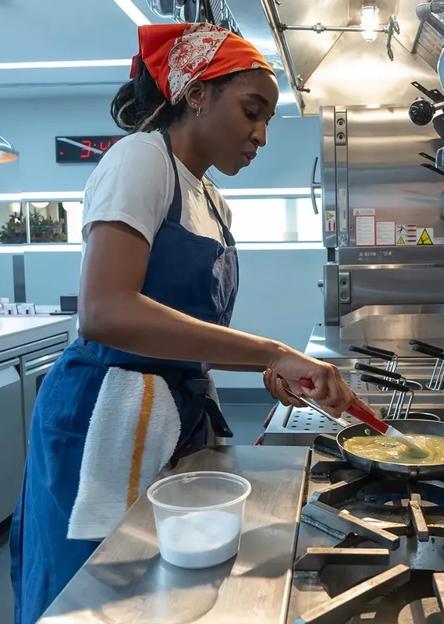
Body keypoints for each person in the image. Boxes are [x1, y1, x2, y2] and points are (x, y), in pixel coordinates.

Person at [10, 23, 356, 623]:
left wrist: (264, 366)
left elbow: (182, 323)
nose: (262, 135)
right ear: (197, 94)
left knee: (159, 586)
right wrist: (270, 350)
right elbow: (105, 311)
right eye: (253, 111)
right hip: (102, 414)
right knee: (93, 590)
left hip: (172, 410)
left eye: (268, 119)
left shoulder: (208, 196)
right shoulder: (140, 161)